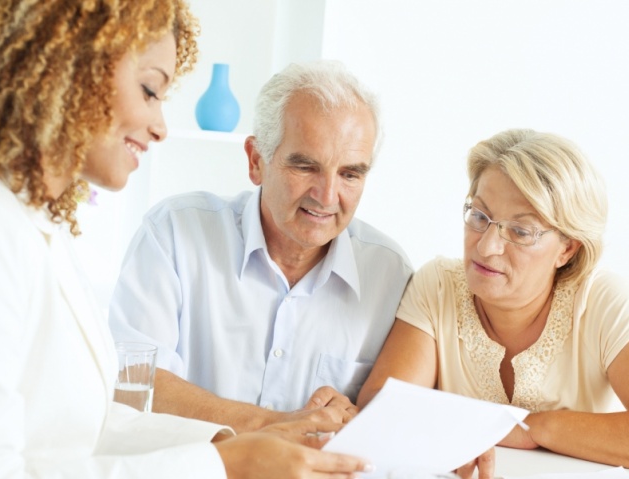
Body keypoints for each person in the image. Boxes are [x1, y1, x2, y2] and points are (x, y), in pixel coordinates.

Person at [0, 2, 372, 479]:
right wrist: (222, 472)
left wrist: (230, 445)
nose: (161, 125)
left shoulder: (30, 225)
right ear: (66, 74)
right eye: (149, 89)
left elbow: (89, 424)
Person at [358, 129, 629, 478]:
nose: (486, 247)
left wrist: (530, 427)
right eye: (480, 216)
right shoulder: (437, 285)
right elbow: (380, 409)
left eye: (520, 231)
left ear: (567, 248)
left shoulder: (602, 301)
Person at [108, 60, 414, 432]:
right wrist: (276, 427)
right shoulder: (173, 233)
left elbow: (392, 418)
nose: (327, 196)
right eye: (305, 167)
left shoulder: (391, 275)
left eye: (350, 174)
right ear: (256, 161)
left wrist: (352, 417)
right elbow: (135, 381)